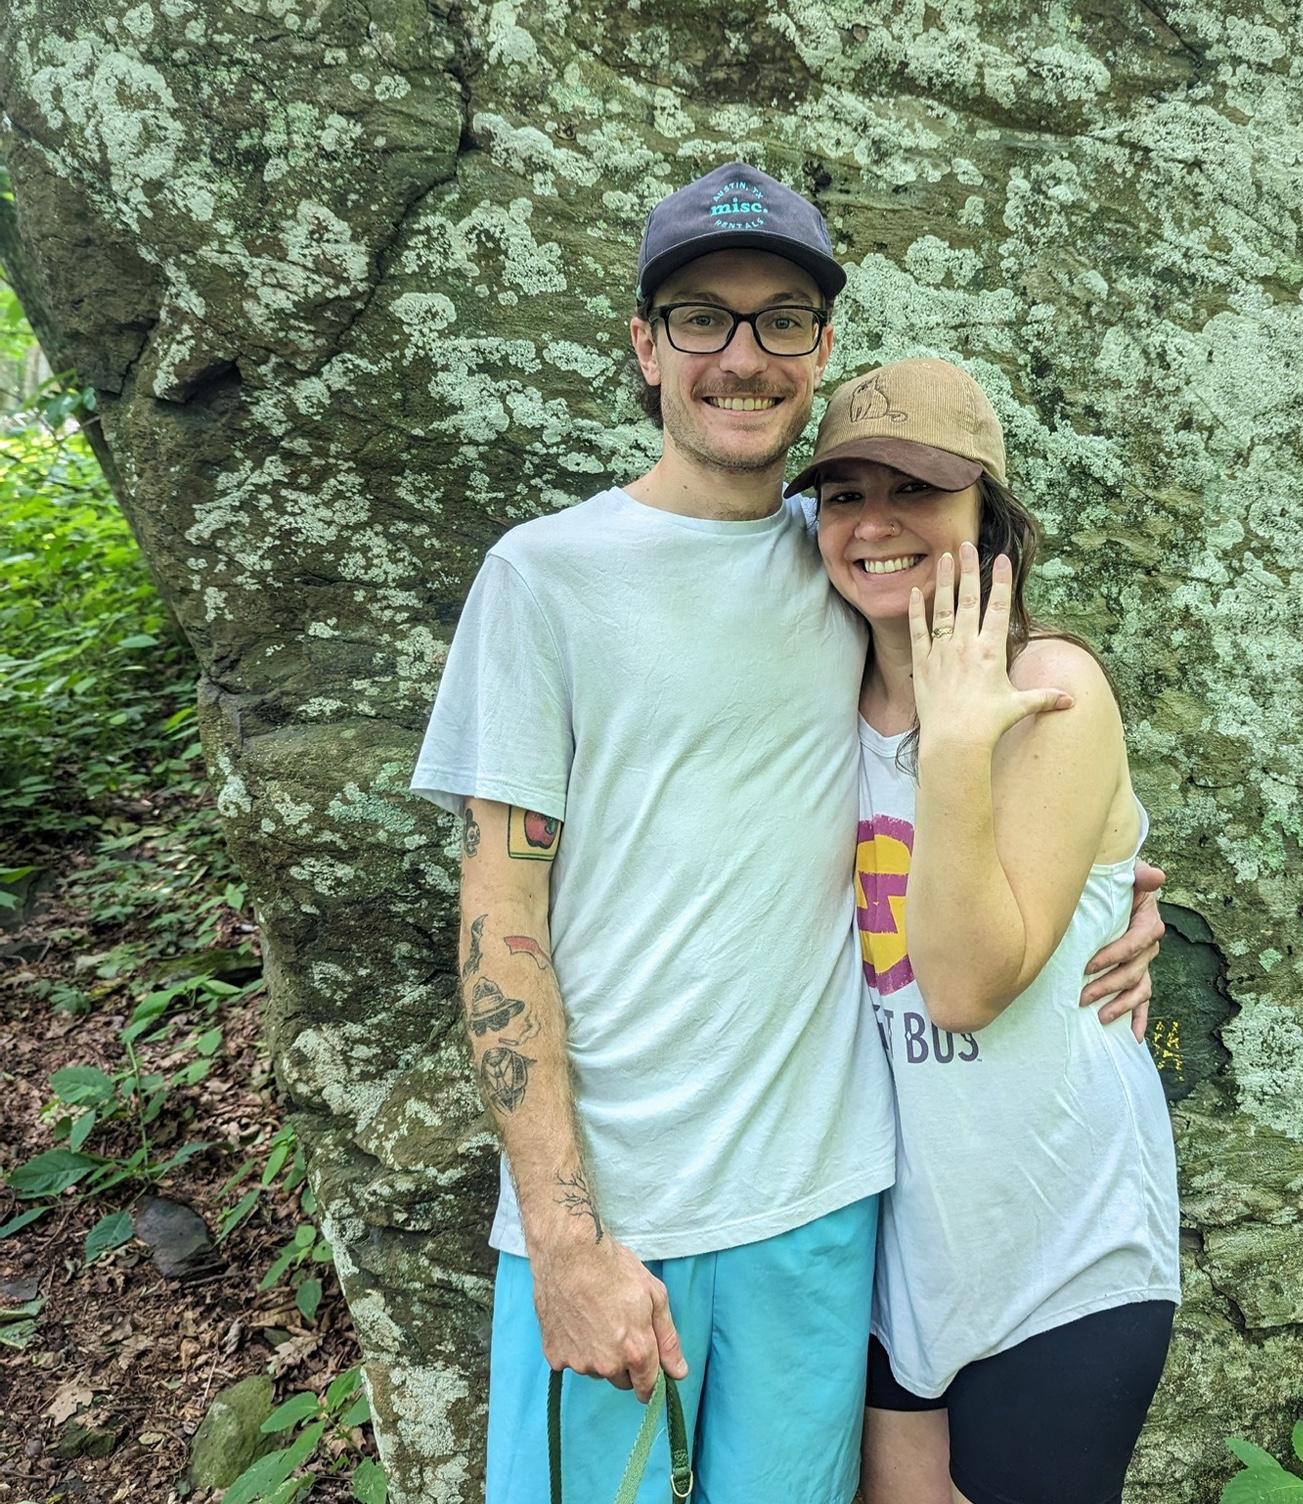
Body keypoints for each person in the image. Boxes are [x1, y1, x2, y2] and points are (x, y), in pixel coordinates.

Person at [410, 164, 1166, 1503]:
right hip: (619, 1218)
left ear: (818, 353)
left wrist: (1115, 896)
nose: (742, 355)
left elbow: (1016, 757)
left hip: (825, 1220)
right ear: (646, 346)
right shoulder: (545, 577)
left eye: (782, 321)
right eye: (702, 317)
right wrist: (564, 1238)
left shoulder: (852, 564)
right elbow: (498, 917)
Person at [786, 356, 1181, 1504]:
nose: (875, 523)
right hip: (894, 1252)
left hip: (1064, 1243)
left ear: (988, 516)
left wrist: (954, 740)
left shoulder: (1050, 686)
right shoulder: (805, 701)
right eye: (846, 494)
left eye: (916, 490)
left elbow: (960, 989)